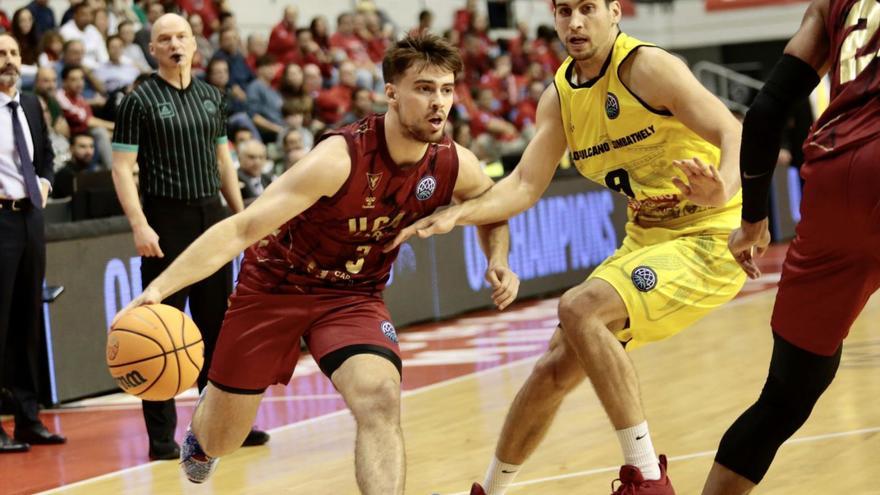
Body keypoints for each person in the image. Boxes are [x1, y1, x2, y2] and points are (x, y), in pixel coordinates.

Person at [115, 33, 519, 494]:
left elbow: (491, 203)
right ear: (391, 92)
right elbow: (243, 228)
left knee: (381, 398)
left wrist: (498, 258)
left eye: (446, 90)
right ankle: (205, 431)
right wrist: (158, 290)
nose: (439, 102)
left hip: (352, 297)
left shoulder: (451, 162)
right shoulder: (338, 158)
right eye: (424, 88)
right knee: (222, 439)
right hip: (274, 287)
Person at [390, 1, 747, 493]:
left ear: (614, 11)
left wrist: (724, 187)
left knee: (579, 308)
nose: (575, 23)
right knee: (554, 367)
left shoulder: (648, 67)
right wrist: (460, 212)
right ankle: (490, 490)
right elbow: (523, 185)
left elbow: (733, 129)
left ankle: (647, 478)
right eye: (563, 10)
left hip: (710, 233)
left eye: (587, 8)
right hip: (646, 236)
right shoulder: (559, 97)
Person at [702, 0, 880, 492]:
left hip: (838, 178)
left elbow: (763, 114)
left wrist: (754, 220)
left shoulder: (831, 5)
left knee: (787, 393)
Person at [109, 13, 267, 461]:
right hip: (165, 219)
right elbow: (122, 168)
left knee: (218, 326)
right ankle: (161, 439)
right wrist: (139, 224)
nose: (174, 44)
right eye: (164, 39)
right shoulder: (137, 102)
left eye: (181, 36)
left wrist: (242, 220)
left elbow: (224, 162)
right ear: (153, 49)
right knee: (158, 329)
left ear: (194, 44)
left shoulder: (212, 97)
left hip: (211, 217)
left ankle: (219, 426)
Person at [0, 34, 66, 454]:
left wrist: (43, 182)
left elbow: (45, 157)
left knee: (26, 320)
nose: (7, 60)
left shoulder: (28, 104)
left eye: (11, 53)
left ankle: (28, 419)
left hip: (31, 220)